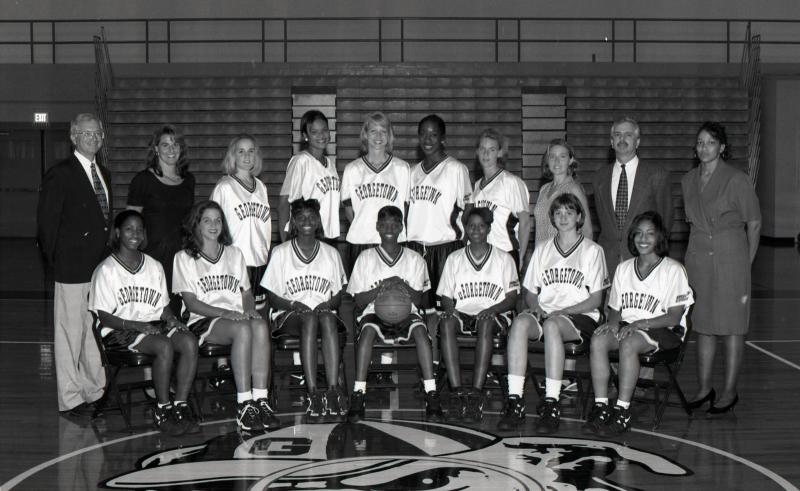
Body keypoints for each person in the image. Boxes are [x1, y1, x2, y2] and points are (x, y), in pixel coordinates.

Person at [498, 194, 609, 432]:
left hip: (581, 316)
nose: (563, 217)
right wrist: (536, 307)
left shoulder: (593, 250)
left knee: (552, 325)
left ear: (579, 217)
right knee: (518, 324)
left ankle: (551, 403)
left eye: (569, 212)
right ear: (552, 218)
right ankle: (515, 401)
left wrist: (565, 311)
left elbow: (596, 300)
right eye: (558, 213)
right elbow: (529, 291)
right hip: (547, 313)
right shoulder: (543, 249)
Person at [89, 210, 199, 435]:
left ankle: (180, 406)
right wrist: (136, 326)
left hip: (151, 327)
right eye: (129, 229)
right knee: (163, 345)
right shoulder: (106, 270)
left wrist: (171, 319)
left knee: (188, 341)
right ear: (118, 233)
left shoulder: (154, 265)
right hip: (119, 330)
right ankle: (162, 408)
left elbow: (162, 307)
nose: (135, 234)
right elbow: (103, 316)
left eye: (139, 229)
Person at [584, 211, 694, 434]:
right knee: (598, 339)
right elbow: (615, 309)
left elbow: (674, 316)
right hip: (631, 327)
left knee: (629, 343)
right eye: (638, 234)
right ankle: (602, 405)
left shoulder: (674, 270)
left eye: (649, 234)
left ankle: (623, 411)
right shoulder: (624, 268)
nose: (643, 239)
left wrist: (640, 323)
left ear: (659, 237)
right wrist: (614, 323)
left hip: (664, 330)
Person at [172, 200, 278, 433]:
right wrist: (226, 313)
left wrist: (249, 309)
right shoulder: (183, 258)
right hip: (202, 320)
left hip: (234, 317)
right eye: (207, 220)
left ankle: (261, 400)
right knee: (242, 329)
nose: (213, 225)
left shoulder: (234, 253)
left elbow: (246, 292)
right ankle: (244, 404)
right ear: (196, 224)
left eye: (218, 220)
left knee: (260, 324)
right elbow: (191, 303)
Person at [681, 122, 761, 414]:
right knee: (703, 327)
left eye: (710, 142)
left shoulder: (737, 179)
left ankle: (729, 391)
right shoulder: (688, 179)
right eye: (700, 143)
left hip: (731, 257)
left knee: (732, 328)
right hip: (699, 257)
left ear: (722, 147)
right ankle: (704, 388)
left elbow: (754, 223)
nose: (704, 148)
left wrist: (745, 263)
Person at [37, 112, 110, 415]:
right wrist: (56, 265)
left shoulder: (103, 171)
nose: (93, 138)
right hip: (71, 268)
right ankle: (70, 398)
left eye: (97, 134)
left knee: (92, 332)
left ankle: (95, 389)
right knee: (69, 334)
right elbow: (46, 225)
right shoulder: (61, 174)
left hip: (98, 269)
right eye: (86, 134)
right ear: (73, 137)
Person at [346, 205, 444, 423]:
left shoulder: (415, 258)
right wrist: (381, 288)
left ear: (402, 227)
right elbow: (359, 301)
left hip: (407, 312)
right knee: (367, 333)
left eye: (394, 224)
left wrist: (400, 284)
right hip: (373, 312)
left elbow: (418, 300)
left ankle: (431, 392)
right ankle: (359, 392)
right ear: (378, 227)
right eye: (384, 224)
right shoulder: (365, 257)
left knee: (420, 332)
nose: (389, 228)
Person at [262, 198, 348, 423]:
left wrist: (328, 305)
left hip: (323, 312)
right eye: (301, 218)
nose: (307, 221)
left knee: (327, 319)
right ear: (294, 222)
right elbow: (272, 297)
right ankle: (312, 393)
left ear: (319, 221)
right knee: (309, 318)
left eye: (312, 217)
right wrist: (293, 305)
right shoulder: (280, 252)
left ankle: (332, 390)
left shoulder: (331, 253)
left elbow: (338, 295)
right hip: (288, 314)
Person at [437, 207, 519, 422]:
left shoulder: (503, 258)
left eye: (481, 226)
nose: (475, 230)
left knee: (485, 323)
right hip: (463, 312)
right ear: (465, 228)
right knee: (445, 323)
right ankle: (456, 392)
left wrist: (491, 310)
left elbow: (512, 298)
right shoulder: (454, 258)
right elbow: (446, 295)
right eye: (471, 226)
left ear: (489, 229)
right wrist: (450, 310)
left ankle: (476, 392)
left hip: (495, 312)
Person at [127, 124, 195, 317]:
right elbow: (130, 224)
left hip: (182, 255)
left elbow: (190, 220)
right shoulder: (143, 180)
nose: (171, 149)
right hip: (154, 255)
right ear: (156, 149)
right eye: (165, 145)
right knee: (155, 312)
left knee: (179, 313)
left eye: (175, 144)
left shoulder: (189, 180)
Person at [591, 117, 673, 277]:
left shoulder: (657, 175)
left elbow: (665, 222)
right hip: (608, 262)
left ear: (638, 141)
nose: (622, 139)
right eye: (617, 135)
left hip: (646, 261)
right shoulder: (599, 177)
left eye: (628, 135)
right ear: (611, 141)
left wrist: (653, 254)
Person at [406, 114, 473, 302]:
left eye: (433, 135)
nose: (428, 140)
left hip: (446, 248)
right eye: (423, 134)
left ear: (443, 139)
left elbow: (468, 208)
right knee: (418, 308)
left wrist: (461, 244)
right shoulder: (411, 172)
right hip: (415, 248)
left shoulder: (456, 169)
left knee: (445, 309)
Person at [340, 112, 411, 270]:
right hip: (361, 242)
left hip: (393, 241)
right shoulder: (352, 169)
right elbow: (349, 211)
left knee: (395, 293)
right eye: (373, 131)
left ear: (389, 135)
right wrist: (365, 229)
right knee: (361, 293)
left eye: (383, 131)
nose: (378, 136)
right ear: (365, 134)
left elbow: (405, 209)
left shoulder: (402, 168)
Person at [210, 134, 272, 311]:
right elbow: (211, 227)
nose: (247, 156)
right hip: (234, 260)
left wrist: (265, 253)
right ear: (233, 156)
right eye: (241, 151)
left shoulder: (261, 187)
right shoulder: (224, 187)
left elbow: (266, 226)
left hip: (259, 259)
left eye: (251, 151)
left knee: (259, 313)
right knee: (238, 313)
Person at [472, 128, 530, 270]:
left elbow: (525, 222)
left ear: (500, 152)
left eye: (491, 149)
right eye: (482, 148)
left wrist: (521, 257)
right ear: (477, 151)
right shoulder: (476, 185)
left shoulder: (511, 182)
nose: (486, 154)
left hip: (505, 252)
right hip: (481, 254)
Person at [279, 110, 341, 243]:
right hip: (307, 235)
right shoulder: (300, 161)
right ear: (305, 136)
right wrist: (285, 242)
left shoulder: (330, 165)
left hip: (329, 237)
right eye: (314, 132)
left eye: (324, 130)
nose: (321, 135)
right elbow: (284, 203)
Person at [533, 139, 591, 247]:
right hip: (542, 256)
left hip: (564, 257)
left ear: (570, 160)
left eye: (562, 156)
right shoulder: (544, 189)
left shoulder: (574, 189)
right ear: (547, 160)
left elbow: (587, 231)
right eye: (552, 156)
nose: (557, 161)